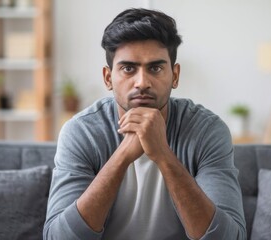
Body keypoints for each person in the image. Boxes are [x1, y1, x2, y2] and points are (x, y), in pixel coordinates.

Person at [44, 8, 246, 240]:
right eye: (128, 69)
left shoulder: (207, 130)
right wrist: (122, 156)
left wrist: (163, 154)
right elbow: (58, 237)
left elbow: (230, 237)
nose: (142, 82)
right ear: (108, 78)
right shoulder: (81, 132)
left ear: (175, 75)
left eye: (156, 68)